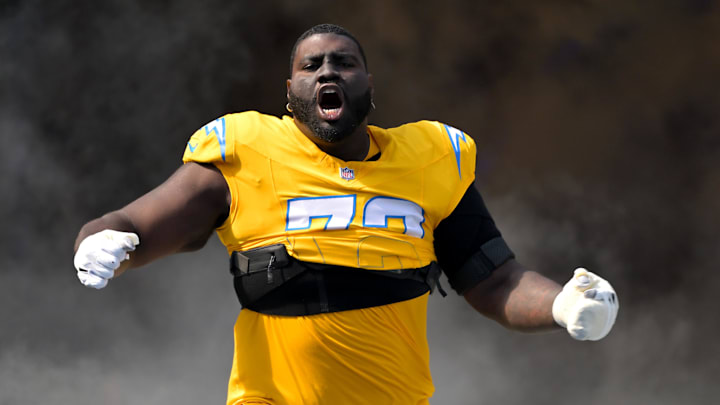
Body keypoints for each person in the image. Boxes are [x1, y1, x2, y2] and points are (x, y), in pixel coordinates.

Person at [73, 24, 619, 405]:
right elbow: (141, 225)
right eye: (311, 65)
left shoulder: (429, 160)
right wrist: (100, 239)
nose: (327, 71)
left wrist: (563, 304)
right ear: (291, 90)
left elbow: (494, 279)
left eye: (344, 63)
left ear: (368, 84)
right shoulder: (246, 152)